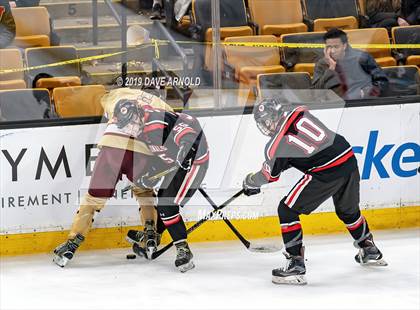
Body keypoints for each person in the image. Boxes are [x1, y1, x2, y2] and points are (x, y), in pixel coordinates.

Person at [242, 98, 387, 285]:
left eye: (266, 121)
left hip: (325, 171)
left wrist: (251, 182)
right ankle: (369, 249)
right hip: (347, 157)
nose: (265, 126)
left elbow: (269, 175)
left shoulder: (275, 145)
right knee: (348, 211)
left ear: (274, 117)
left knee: (286, 210)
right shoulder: (299, 111)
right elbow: (302, 146)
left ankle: (296, 265)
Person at [53, 88, 173, 267]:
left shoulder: (116, 94)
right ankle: (150, 234)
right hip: (141, 151)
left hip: (112, 145)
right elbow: (169, 125)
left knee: (93, 199)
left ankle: (72, 242)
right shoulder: (162, 103)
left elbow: (102, 105)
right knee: (144, 191)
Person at [113, 100, 209, 272]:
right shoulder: (142, 129)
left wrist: (186, 149)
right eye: (127, 125)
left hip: (194, 162)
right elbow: (163, 153)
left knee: (167, 204)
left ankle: (183, 250)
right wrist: (149, 176)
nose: (131, 127)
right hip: (176, 161)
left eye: (132, 120)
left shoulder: (155, 122)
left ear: (139, 113)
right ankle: (154, 236)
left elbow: (187, 133)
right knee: (164, 200)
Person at [312, 28, 389, 100]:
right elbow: (315, 92)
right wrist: (330, 69)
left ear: (344, 46)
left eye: (336, 47)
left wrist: (364, 93)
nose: (332, 51)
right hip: (333, 105)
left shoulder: (362, 58)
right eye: (329, 47)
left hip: (360, 102)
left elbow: (382, 81)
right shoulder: (321, 64)